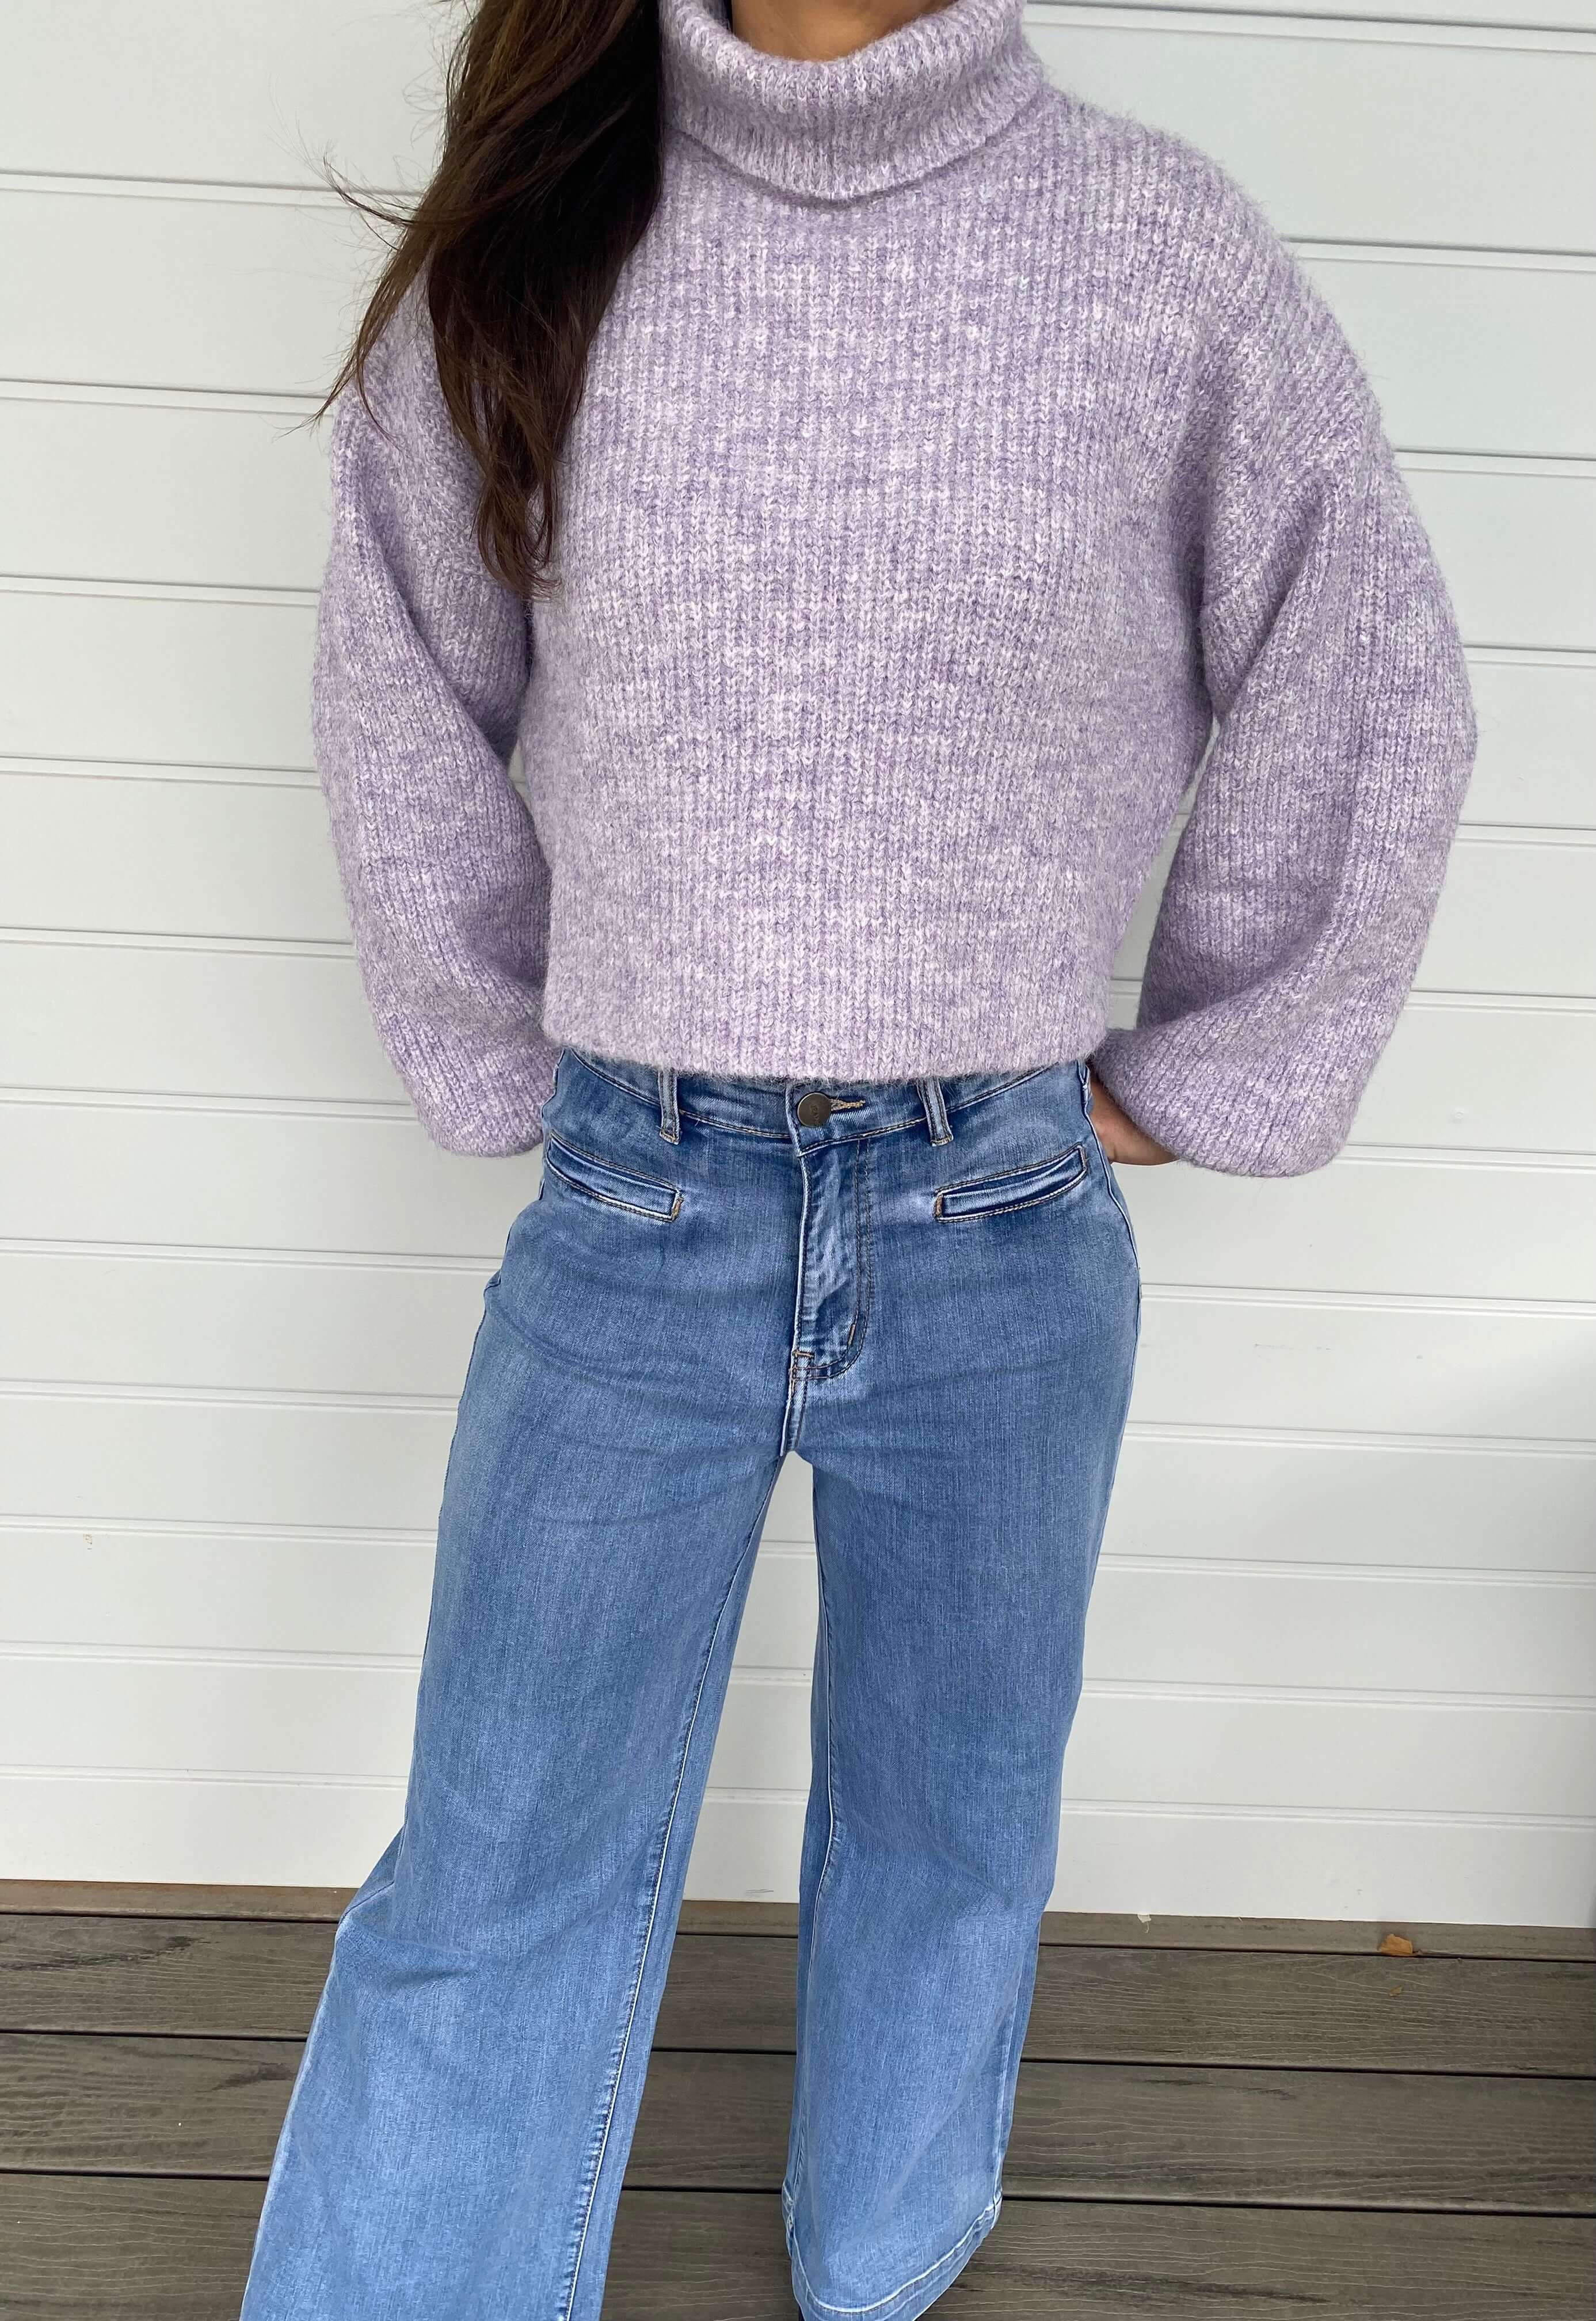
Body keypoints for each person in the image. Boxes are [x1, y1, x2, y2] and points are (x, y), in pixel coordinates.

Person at [238, 0, 1476, 2314]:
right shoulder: (541, 235)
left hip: (996, 1209)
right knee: (500, 1855)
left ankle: (880, 2262)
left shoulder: (1156, 255)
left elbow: (1368, 664)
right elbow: (395, 661)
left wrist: (1197, 1068)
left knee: (948, 1832)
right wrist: (508, 1040)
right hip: (636, 1207)